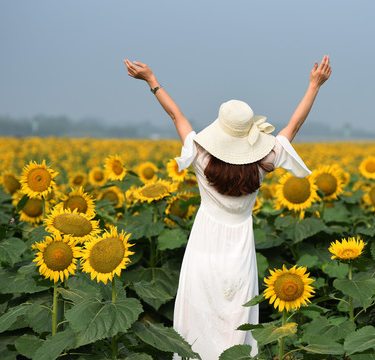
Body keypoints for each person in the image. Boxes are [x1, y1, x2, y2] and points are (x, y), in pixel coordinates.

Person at [124, 55, 331, 360]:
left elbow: (176, 117)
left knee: (198, 314)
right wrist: (315, 85)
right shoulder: (265, 161)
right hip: (240, 247)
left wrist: (152, 81)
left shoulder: (200, 156)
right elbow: (294, 125)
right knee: (237, 317)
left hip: (204, 244)